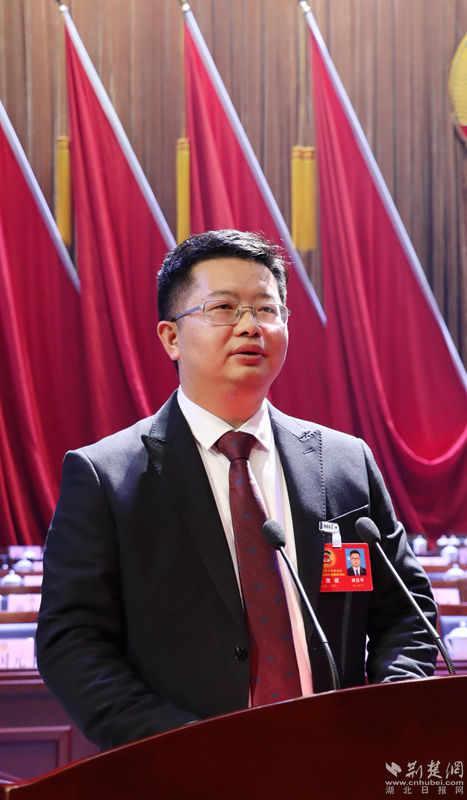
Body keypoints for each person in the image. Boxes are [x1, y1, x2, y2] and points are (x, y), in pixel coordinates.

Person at [36, 229, 438, 751]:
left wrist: (386, 713)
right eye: (224, 308)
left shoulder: (345, 464)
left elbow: (406, 614)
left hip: (338, 760)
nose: (251, 326)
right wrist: (186, 747)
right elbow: (72, 643)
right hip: (184, 769)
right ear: (171, 338)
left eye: (267, 309)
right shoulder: (106, 477)